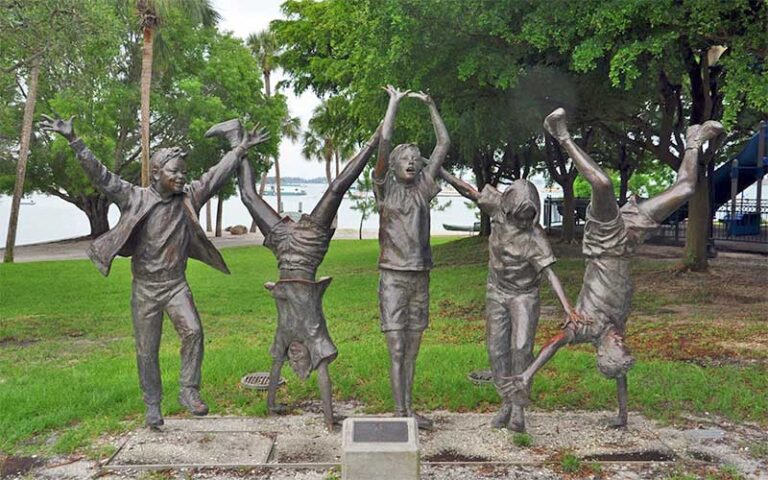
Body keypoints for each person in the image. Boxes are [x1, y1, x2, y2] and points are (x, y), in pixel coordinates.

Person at [40, 115, 269, 428]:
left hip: (176, 286)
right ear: (158, 173)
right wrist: (74, 141)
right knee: (146, 350)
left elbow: (215, 175)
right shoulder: (135, 197)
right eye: (175, 172)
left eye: (183, 172)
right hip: (145, 289)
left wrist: (240, 148)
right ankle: (152, 404)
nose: (180, 177)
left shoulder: (189, 196)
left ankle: (188, 390)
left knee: (194, 332)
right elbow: (103, 177)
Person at [501, 108, 724, 427]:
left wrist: (527, 374)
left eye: (618, 346)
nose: (622, 340)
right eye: (624, 345)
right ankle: (693, 141)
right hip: (629, 240)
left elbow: (552, 345)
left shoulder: (585, 329)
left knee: (602, 184)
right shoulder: (615, 330)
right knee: (686, 189)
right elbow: (620, 375)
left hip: (605, 244)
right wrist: (622, 416)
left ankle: (559, 133)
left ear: (604, 351)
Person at [237, 124, 382, 432]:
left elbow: (276, 366)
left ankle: (237, 142)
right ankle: (237, 142)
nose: (298, 361)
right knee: (334, 189)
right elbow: (317, 372)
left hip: (284, 246)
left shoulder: (288, 340)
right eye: (303, 360)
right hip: (307, 247)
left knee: (251, 197)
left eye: (296, 360)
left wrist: (273, 403)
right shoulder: (314, 338)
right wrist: (329, 419)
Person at [440, 169, 577, 432]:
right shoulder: (497, 209)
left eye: (530, 217)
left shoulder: (536, 237)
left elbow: (550, 273)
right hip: (496, 291)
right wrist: (441, 172)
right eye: (521, 217)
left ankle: (518, 408)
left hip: (524, 295)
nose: (526, 223)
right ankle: (505, 400)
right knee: (496, 350)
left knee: (522, 348)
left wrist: (567, 307)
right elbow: (469, 190)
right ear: (509, 209)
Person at [373, 86, 450, 430]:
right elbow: (384, 142)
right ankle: (399, 413)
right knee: (396, 348)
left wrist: (433, 105)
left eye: (415, 159)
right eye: (405, 159)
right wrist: (394, 104)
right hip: (392, 278)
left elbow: (443, 144)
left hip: (421, 277)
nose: (411, 162)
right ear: (393, 166)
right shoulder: (384, 187)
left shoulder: (423, 187)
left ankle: (409, 411)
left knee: (414, 350)